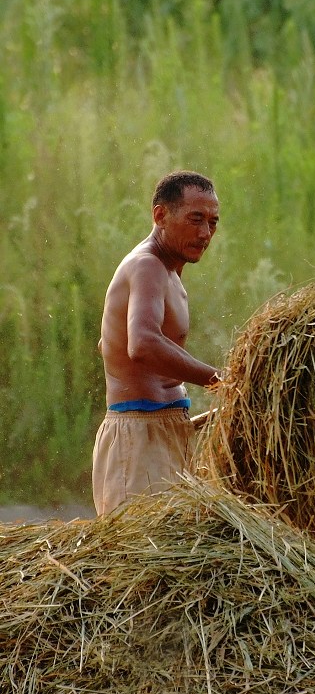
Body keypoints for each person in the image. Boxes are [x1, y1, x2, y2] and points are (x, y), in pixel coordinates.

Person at [92, 170, 222, 515]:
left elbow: (110, 345)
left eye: (212, 222)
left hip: (163, 431)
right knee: (140, 562)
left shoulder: (168, 273)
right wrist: (224, 381)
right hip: (138, 438)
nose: (205, 233)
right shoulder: (147, 265)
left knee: (180, 563)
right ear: (160, 215)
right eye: (195, 219)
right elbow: (143, 345)